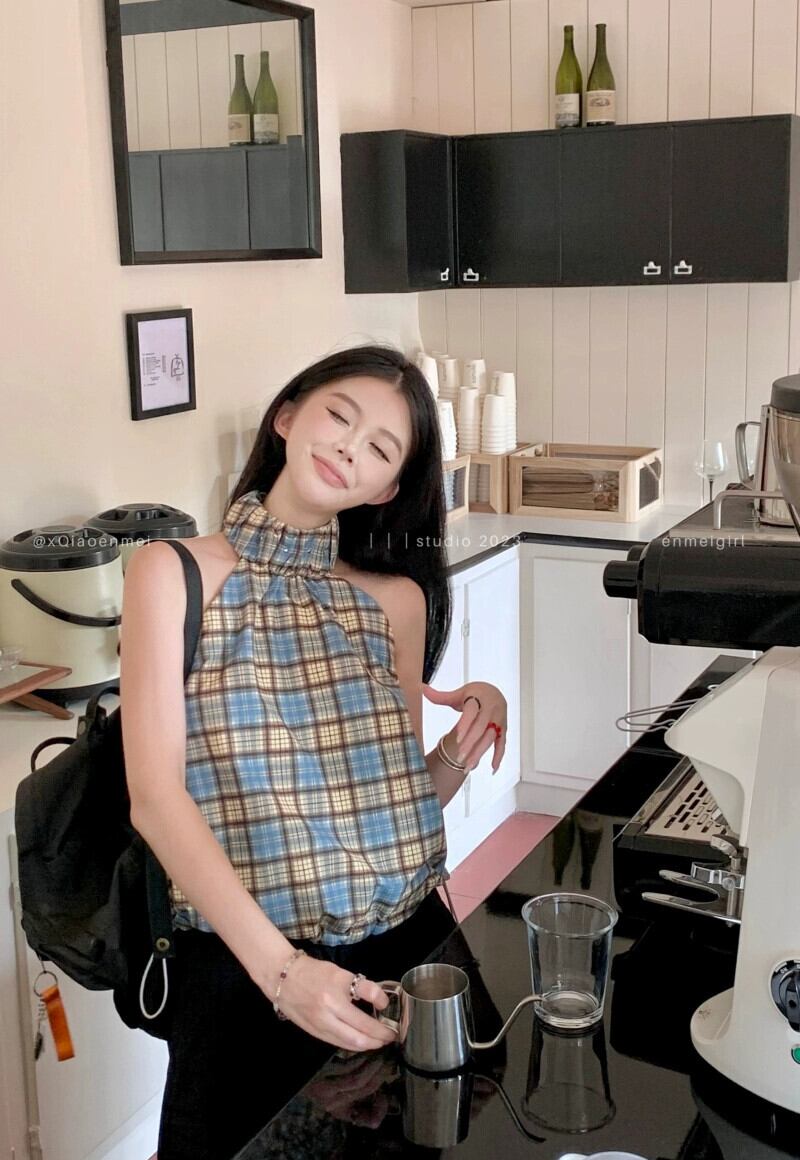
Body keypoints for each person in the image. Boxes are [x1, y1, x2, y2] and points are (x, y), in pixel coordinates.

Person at [119, 345, 508, 1158]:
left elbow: (397, 805)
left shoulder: (395, 601)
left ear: (387, 488)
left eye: (380, 448)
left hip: (409, 947)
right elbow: (155, 799)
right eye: (340, 416)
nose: (349, 448)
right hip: (249, 964)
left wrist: (461, 749)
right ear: (288, 416)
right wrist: (285, 974)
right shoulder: (172, 574)